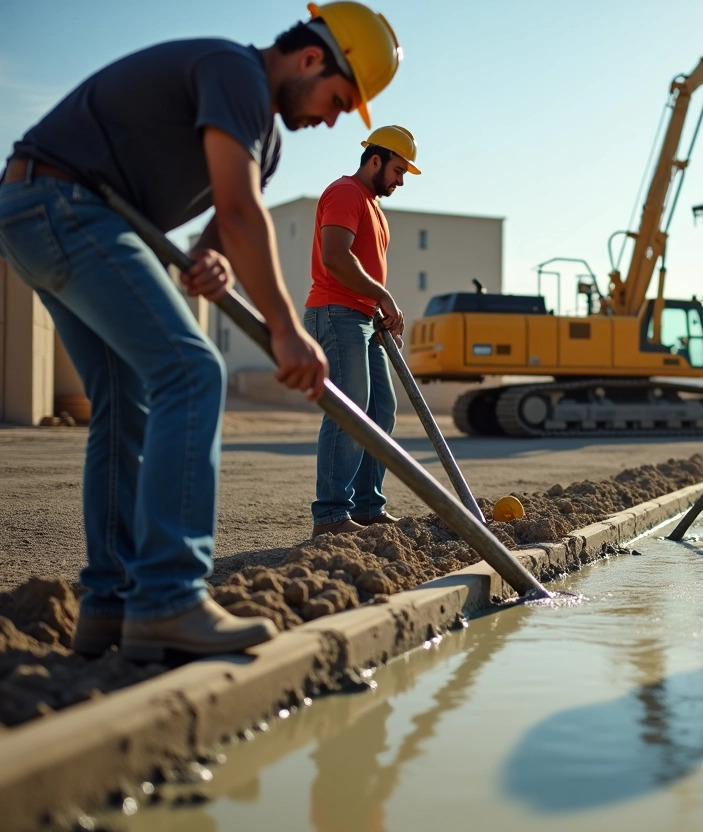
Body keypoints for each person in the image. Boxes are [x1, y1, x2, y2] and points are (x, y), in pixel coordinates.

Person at [0, 2, 402, 661]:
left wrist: (213, 254)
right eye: (337, 99)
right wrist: (283, 328)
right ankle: (170, 598)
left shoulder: (263, 140)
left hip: (44, 213)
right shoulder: (233, 72)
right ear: (310, 59)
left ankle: (112, 603)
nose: (332, 119)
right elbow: (243, 213)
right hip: (61, 200)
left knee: (124, 403)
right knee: (192, 369)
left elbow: (222, 225)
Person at [305, 125, 419, 538]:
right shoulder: (345, 193)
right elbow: (336, 257)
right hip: (336, 313)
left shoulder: (374, 207)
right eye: (398, 170)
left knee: (379, 411)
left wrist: (380, 312)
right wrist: (383, 296)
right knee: (350, 412)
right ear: (376, 159)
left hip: (363, 319)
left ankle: (368, 507)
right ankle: (332, 515)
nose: (400, 180)